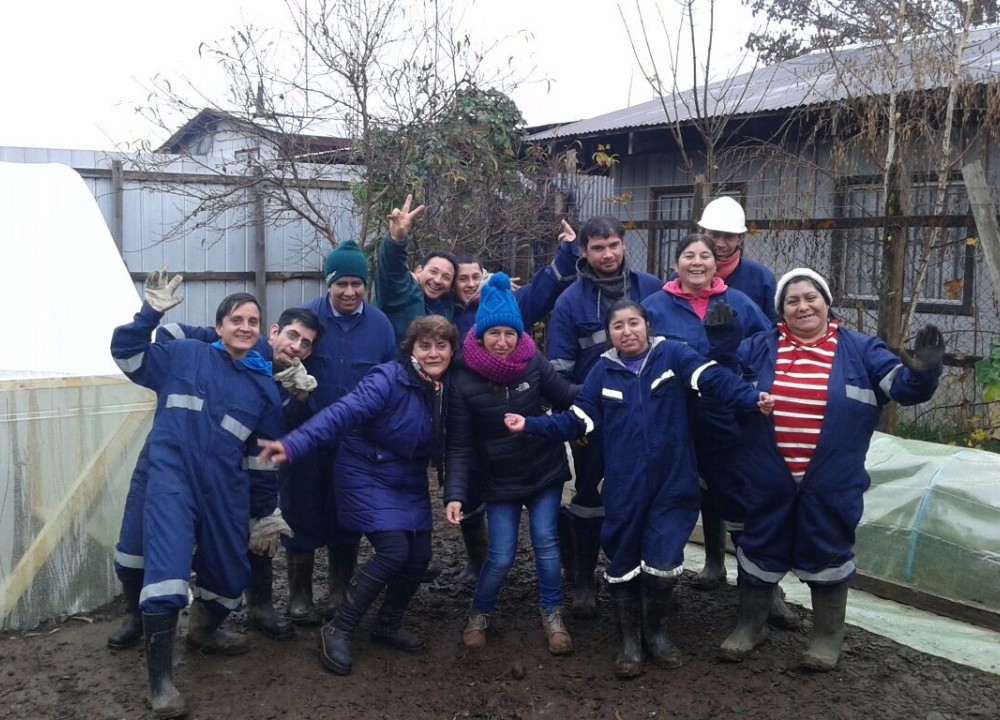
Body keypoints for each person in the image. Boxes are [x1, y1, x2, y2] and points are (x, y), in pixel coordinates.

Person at [505, 300, 775, 678]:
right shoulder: (603, 371)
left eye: (634, 323)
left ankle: (656, 631)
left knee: (662, 563)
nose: (627, 331)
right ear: (610, 334)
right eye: (618, 326)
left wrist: (750, 397)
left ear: (647, 326)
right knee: (623, 563)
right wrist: (530, 425)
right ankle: (629, 642)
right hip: (624, 486)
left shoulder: (673, 356)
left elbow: (713, 378)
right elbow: (577, 420)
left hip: (672, 483)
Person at [719, 268, 944, 671]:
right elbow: (723, 389)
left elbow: (904, 389)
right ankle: (750, 626)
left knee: (828, 546)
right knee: (758, 543)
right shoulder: (757, 348)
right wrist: (719, 345)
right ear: (781, 311)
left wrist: (925, 374)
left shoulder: (861, 350)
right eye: (792, 301)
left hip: (831, 478)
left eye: (811, 297)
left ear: (826, 302)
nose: (803, 306)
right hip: (768, 473)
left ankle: (826, 638)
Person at [111, 274, 289, 719]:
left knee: (230, 573)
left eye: (253, 320)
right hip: (171, 473)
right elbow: (128, 355)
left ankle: (203, 633)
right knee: (165, 568)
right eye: (236, 319)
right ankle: (160, 682)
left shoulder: (263, 387)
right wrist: (149, 314)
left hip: (225, 488)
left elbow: (261, 457)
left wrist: (264, 513)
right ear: (220, 325)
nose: (245, 326)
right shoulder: (183, 355)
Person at [107, 306, 322, 651]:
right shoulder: (226, 348)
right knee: (137, 550)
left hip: (224, 476)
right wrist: (216, 342)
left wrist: (298, 398)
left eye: (306, 344)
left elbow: (272, 438)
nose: (296, 347)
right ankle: (134, 614)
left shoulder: (282, 379)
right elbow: (169, 336)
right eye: (292, 336)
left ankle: (220, 623)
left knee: (234, 548)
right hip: (167, 462)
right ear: (274, 332)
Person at [257, 315, 457, 676]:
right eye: (424, 345)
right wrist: (294, 444)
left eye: (441, 346)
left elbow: (459, 443)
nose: (432, 353)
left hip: (407, 479)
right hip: (364, 472)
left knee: (419, 555)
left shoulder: (445, 389)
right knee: (394, 550)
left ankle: (387, 624)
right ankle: (338, 627)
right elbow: (341, 413)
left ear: (451, 351)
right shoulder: (387, 379)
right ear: (410, 349)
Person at [640, 234, 799, 628]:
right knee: (670, 500)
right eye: (689, 256)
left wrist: (742, 371)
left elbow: (769, 348)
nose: (698, 262)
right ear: (676, 264)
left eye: (705, 256)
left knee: (740, 501)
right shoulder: (655, 307)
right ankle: (662, 592)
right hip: (673, 418)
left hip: (726, 419)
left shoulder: (739, 303)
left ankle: (765, 594)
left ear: (717, 263)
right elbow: (637, 358)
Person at [444, 273, 579, 655]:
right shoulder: (463, 376)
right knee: (501, 553)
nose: (502, 342)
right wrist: (454, 495)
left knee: (546, 542)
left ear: (520, 334)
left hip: (543, 470)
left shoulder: (532, 361)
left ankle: (552, 613)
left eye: (509, 333)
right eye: (494, 334)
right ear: (481, 335)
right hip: (499, 478)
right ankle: (479, 612)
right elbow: (457, 445)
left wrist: (605, 383)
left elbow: (566, 395)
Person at [546, 216, 662, 617]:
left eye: (613, 244)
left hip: (647, 418)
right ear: (583, 252)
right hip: (594, 423)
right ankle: (583, 581)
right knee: (590, 499)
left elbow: (666, 354)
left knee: (647, 496)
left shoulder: (650, 289)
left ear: (624, 244)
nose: (607, 254)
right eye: (597, 247)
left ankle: (646, 577)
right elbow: (558, 371)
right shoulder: (569, 303)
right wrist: (577, 413)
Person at [282, 239, 397, 626]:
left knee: (346, 516)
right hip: (307, 436)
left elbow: (390, 380)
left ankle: (339, 589)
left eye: (357, 284)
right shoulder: (310, 320)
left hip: (356, 442)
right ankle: (299, 595)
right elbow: (281, 355)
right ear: (327, 283)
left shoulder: (380, 326)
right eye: (341, 283)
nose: (349, 292)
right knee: (302, 513)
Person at [375, 194, 458, 343]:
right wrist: (396, 240)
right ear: (419, 270)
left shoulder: (449, 305)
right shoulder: (402, 294)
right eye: (433, 272)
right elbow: (392, 271)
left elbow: (469, 285)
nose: (438, 280)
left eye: (446, 277)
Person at [697, 196, 779, 325]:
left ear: (741, 238)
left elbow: (774, 327)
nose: (720, 244)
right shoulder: (683, 276)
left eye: (729, 237)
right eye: (714, 235)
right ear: (701, 233)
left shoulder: (760, 277)